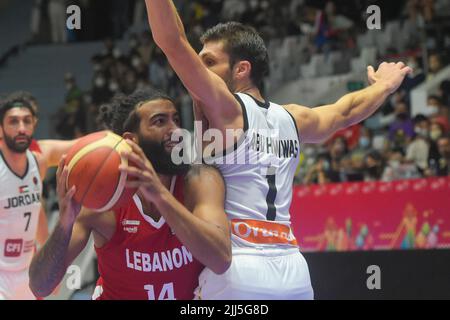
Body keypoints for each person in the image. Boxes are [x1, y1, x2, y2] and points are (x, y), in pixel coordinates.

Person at [144, 0, 412, 299]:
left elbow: (173, 42)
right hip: (293, 271)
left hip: (238, 267)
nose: (199, 70)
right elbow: (346, 111)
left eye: (209, 62)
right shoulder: (293, 117)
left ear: (242, 69)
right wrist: (384, 86)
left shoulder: (225, 108)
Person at [29, 88, 231, 300]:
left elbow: (221, 260)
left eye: (176, 119)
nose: (176, 130)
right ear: (131, 141)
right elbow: (40, 286)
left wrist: (160, 196)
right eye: (160, 122)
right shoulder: (102, 203)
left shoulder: (199, 182)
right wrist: (64, 224)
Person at [0, 97, 49, 299]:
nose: (21, 128)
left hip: (27, 273)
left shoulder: (38, 162)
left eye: (27, 121)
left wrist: (48, 265)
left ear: (34, 124)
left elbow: (38, 214)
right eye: (13, 121)